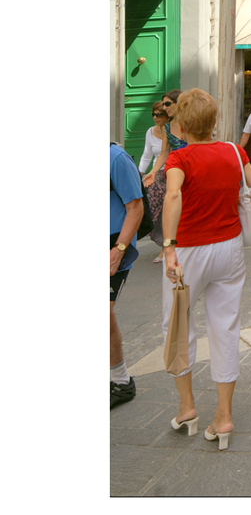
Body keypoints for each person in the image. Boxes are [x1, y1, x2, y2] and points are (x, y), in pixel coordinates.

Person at [160, 88, 251, 450]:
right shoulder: (233, 151)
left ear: (182, 124)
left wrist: (168, 247)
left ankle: (188, 407)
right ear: (214, 121)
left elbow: (173, 196)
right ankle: (223, 417)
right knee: (224, 327)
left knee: (178, 324)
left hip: (190, 252)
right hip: (229, 248)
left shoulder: (179, 159)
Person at [111, 141, 145, 409]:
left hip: (112, 244)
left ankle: (121, 382)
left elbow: (136, 207)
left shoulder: (115, 158)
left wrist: (119, 249)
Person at [144, 90, 187, 252]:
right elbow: (163, 154)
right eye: (163, 104)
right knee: (171, 205)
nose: (165, 108)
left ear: (179, 104)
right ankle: (167, 246)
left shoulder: (191, 122)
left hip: (193, 169)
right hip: (175, 171)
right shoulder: (167, 127)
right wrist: (153, 171)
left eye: (168, 104)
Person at [139, 101, 169, 262]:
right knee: (152, 209)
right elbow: (146, 155)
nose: (156, 117)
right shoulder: (150, 132)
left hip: (171, 173)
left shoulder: (172, 131)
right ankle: (163, 241)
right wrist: (139, 174)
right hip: (156, 175)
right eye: (153, 114)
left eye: (159, 114)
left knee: (167, 210)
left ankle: (166, 248)